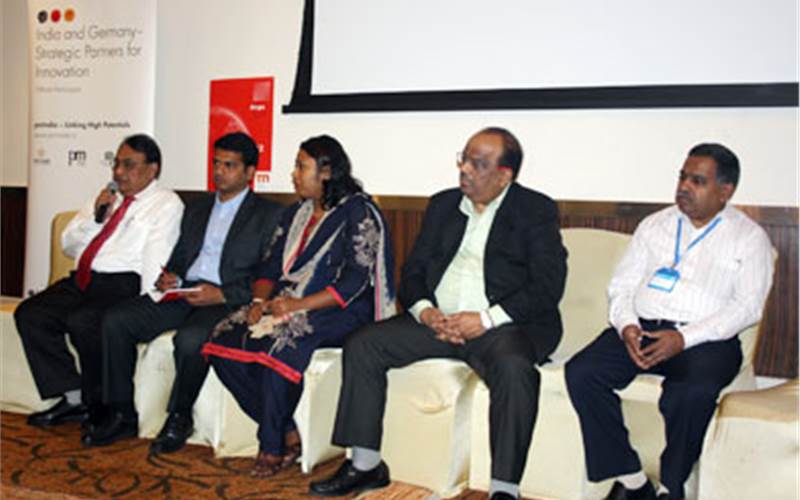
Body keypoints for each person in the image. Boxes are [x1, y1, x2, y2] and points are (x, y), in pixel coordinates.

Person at [309, 127, 567, 500]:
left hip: (500, 327)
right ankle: (365, 465)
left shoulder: (534, 210)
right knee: (364, 343)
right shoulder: (443, 204)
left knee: (514, 368)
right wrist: (426, 311)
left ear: (504, 174)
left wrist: (486, 319)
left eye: (477, 164)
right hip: (438, 321)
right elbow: (413, 271)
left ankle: (504, 488)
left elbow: (547, 285)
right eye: (462, 158)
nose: (464, 169)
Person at [564, 143, 774, 500]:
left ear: (725, 191)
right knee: (583, 372)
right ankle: (631, 480)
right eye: (682, 177)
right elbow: (622, 286)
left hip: (706, 340)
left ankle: (670, 487)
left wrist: (684, 338)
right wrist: (627, 325)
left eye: (697, 181)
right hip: (642, 326)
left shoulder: (749, 238)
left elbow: (747, 307)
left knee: (689, 393)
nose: (684, 187)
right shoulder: (655, 225)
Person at [201, 135, 396, 478]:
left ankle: (271, 445)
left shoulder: (358, 212)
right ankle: (287, 430)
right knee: (221, 339)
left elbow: (355, 281)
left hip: (343, 308)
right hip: (287, 301)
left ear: (326, 172)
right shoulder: (296, 213)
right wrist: (260, 301)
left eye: (300, 166)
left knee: (281, 345)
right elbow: (271, 267)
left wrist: (298, 305)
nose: (294, 174)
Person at [85, 132, 283, 450]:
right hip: (183, 293)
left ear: (249, 173)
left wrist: (222, 294)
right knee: (117, 319)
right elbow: (179, 256)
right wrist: (171, 276)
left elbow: (269, 274)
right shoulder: (197, 207)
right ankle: (121, 414)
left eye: (229, 165)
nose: (219, 171)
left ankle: (179, 416)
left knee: (190, 340)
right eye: (216, 163)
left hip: (224, 300)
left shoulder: (270, 215)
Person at [15, 134, 184, 434]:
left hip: (120, 284)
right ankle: (74, 397)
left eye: (129, 165)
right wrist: (96, 217)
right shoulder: (107, 196)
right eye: (116, 164)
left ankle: (102, 407)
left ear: (153, 169)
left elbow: (158, 253)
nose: (119, 172)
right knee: (31, 314)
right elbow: (68, 244)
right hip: (83, 279)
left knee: (85, 322)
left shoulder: (166, 203)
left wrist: (148, 302)